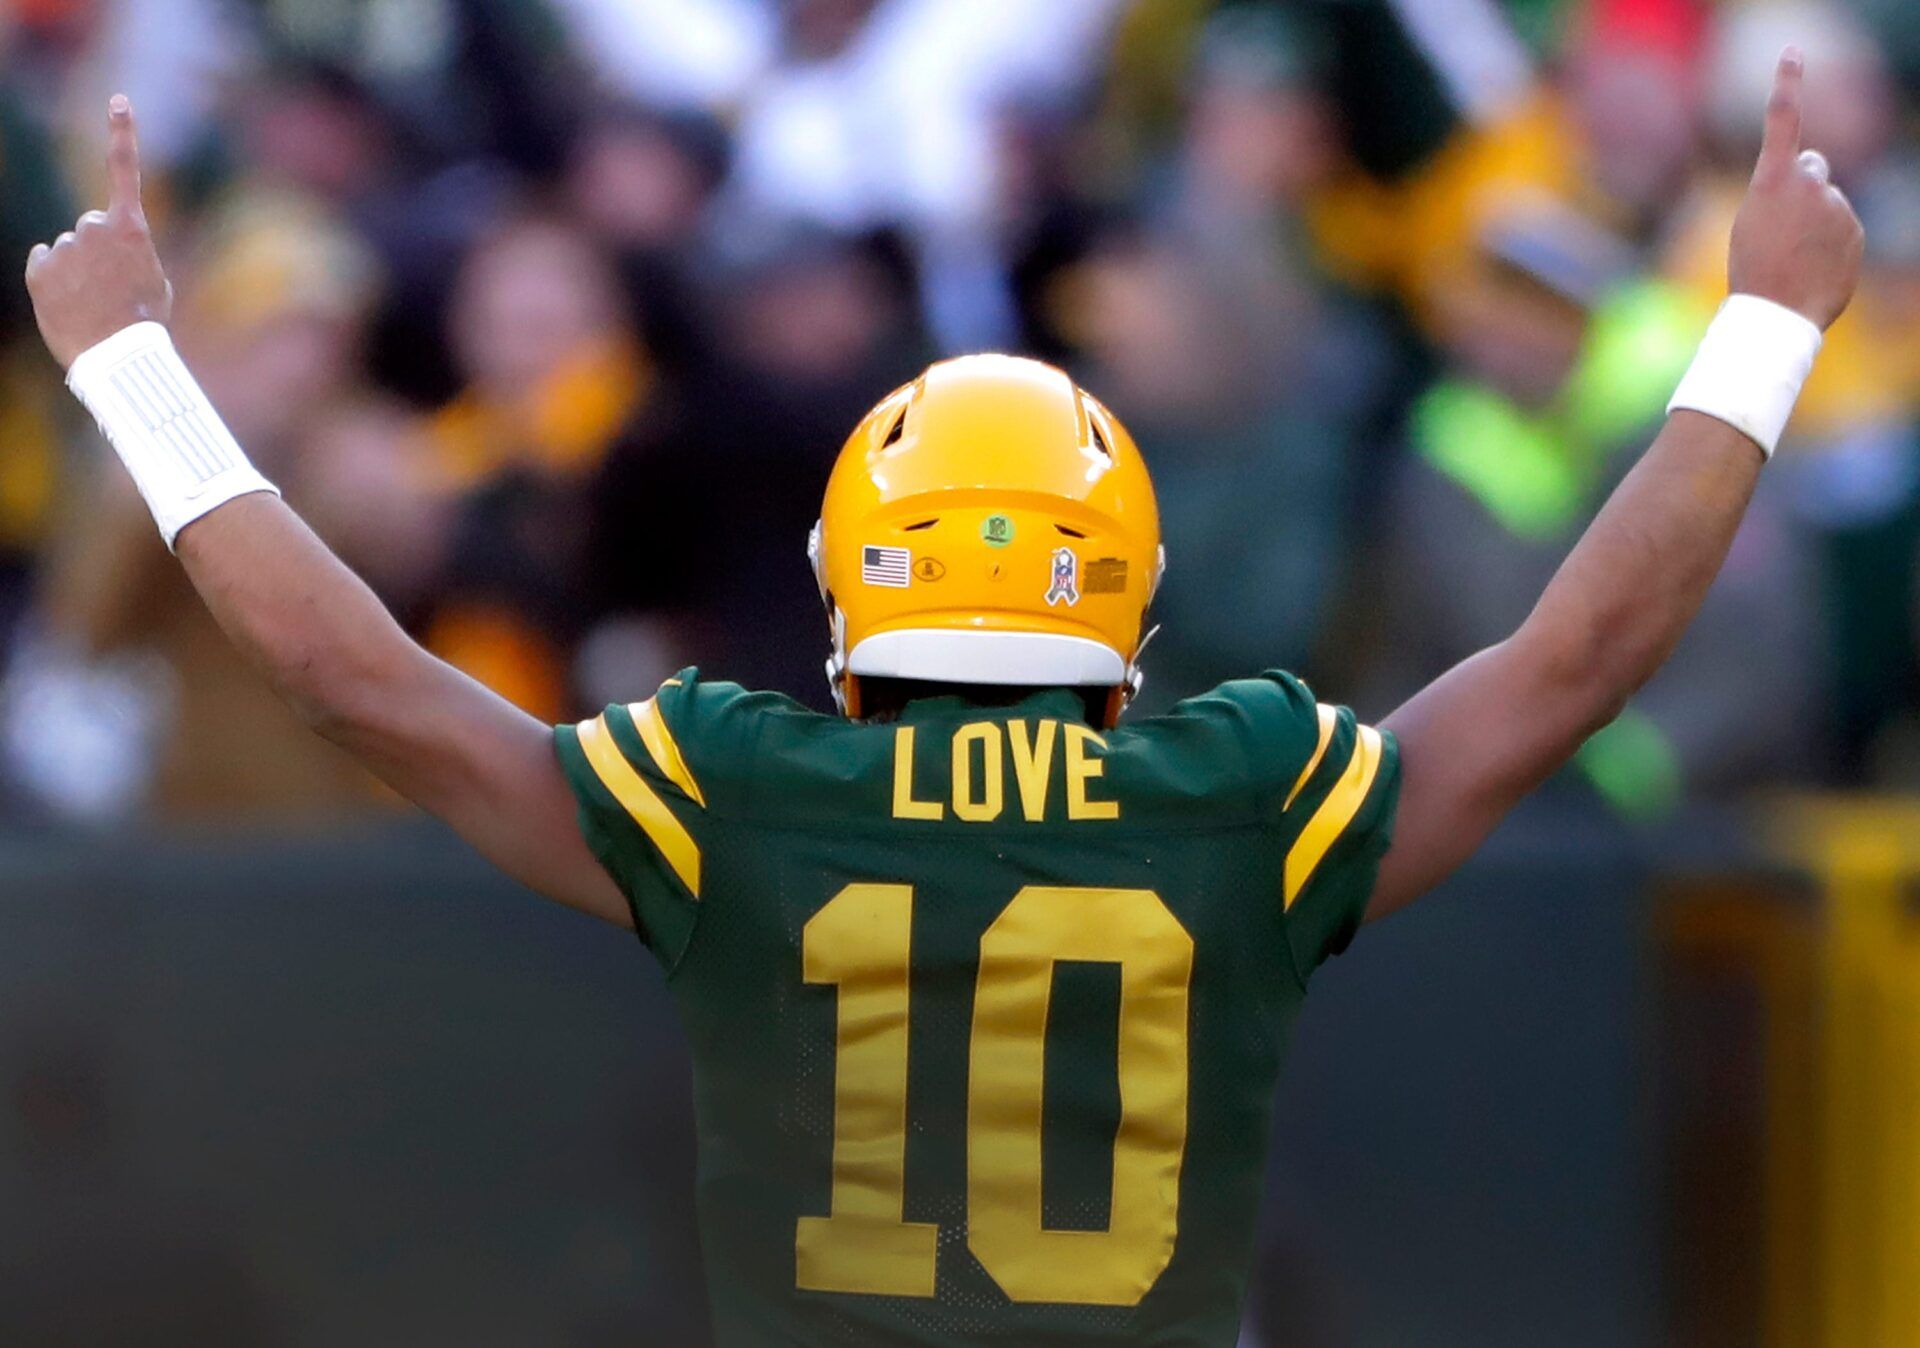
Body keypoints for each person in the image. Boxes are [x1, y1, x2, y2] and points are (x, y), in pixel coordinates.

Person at [21, 52, 1860, 1348]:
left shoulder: (729, 790)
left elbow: (357, 683)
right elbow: (1576, 666)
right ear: (1123, 586)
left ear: (853, 575)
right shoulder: (1240, 791)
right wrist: (1766, 323)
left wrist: (129, 370)